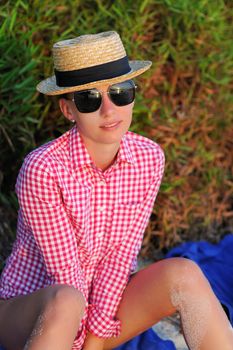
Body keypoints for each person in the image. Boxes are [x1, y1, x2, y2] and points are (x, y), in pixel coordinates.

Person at [0, 31, 232, 350]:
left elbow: (121, 258)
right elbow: (66, 275)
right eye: (89, 99)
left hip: (100, 311)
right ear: (69, 110)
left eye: (120, 92)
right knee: (68, 300)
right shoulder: (43, 169)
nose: (109, 111)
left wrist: (95, 343)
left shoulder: (149, 158)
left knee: (185, 274)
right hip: (33, 312)